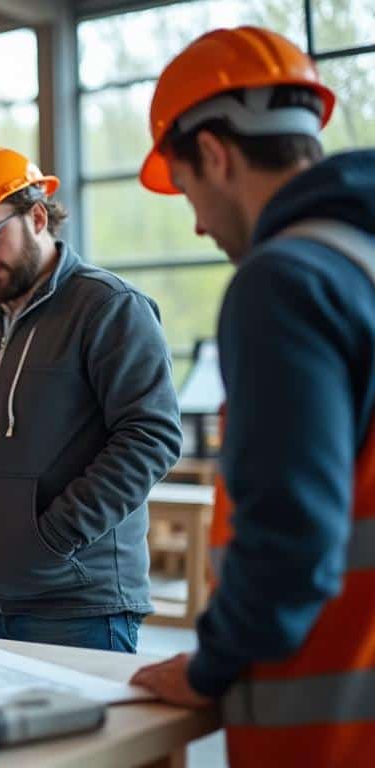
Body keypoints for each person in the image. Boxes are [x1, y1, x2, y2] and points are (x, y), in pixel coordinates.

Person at [128, 27, 375, 766]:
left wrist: (209, 666)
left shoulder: (285, 282)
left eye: (189, 192)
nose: (200, 224)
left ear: (215, 154)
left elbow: (289, 537)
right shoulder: (360, 263)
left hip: (331, 728)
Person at [0, 146, 181, 651]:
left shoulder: (110, 308)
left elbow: (152, 437)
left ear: (37, 217)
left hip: (77, 605)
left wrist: (55, 537)